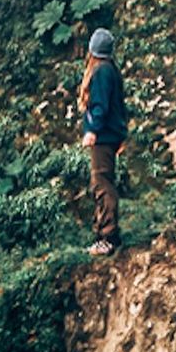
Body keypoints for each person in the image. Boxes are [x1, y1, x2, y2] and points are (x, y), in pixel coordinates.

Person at [79, 27, 128, 256]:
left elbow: (100, 105)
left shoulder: (101, 72)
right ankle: (103, 234)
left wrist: (93, 131)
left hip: (104, 135)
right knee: (101, 181)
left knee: (101, 183)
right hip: (111, 134)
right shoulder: (112, 70)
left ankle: (108, 237)